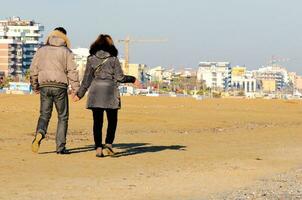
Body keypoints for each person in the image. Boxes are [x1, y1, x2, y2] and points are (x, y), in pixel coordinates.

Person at [73, 34, 139, 157]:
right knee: (112, 120)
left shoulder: (91, 59)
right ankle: (108, 144)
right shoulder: (113, 59)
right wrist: (133, 79)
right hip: (110, 92)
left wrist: (79, 95)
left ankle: (98, 147)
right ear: (110, 45)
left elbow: (87, 80)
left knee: (97, 122)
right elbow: (120, 77)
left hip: (95, 92)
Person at [30, 27, 80, 154]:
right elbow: (72, 71)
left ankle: (40, 133)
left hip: (45, 86)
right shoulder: (66, 51)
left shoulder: (41, 50)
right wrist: (76, 90)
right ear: (64, 37)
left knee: (44, 115)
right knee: (62, 117)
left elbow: (33, 70)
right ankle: (60, 147)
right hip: (60, 87)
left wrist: (35, 86)